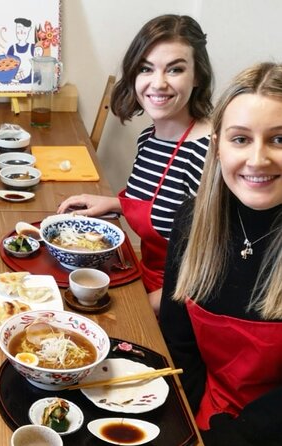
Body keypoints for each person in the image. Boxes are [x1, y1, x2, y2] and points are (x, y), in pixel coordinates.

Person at [159, 62, 282, 446]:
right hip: (204, 413)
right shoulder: (193, 221)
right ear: (217, 146)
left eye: (279, 139)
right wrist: (184, 426)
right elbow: (178, 345)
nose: (258, 159)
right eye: (240, 139)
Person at [56, 15, 213, 312]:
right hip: (144, 278)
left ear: (198, 77)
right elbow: (156, 201)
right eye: (146, 69)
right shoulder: (149, 138)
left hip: (182, 303)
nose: (158, 83)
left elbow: (214, 269)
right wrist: (114, 203)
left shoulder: (207, 153)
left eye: (175, 69)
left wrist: (145, 307)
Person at [6, 17, 35, 83]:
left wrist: (21, 82)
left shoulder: (32, 48)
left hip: (29, 83)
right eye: (18, 29)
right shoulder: (12, 48)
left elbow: (36, 70)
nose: (20, 32)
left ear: (28, 30)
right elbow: (7, 67)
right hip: (13, 83)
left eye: (23, 30)